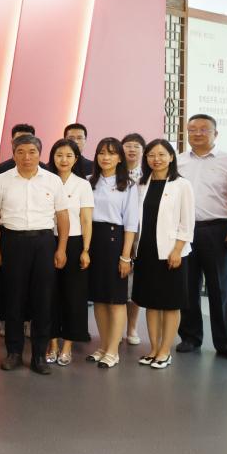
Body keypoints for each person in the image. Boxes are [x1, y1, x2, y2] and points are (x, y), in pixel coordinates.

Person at [0, 135, 69, 375]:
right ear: (13, 154)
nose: (26, 157)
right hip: (12, 242)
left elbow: (62, 216)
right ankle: (13, 353)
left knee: (43, 301)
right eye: (21, 152)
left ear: (39, 154)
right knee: (13, 299)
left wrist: (61, 248)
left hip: (44, 243)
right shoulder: (1, 180)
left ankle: (39, 356)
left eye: (32, 152)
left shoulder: (52, 180)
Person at [177, 114, 227, 362]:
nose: (197, 133)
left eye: (204, 129)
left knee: (220, 288)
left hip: (218, 230)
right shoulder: (179, 161)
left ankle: (226, 343)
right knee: (188, 287)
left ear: (215, 134)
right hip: (185, 230)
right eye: (192, 129)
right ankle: (190, 337)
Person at [132, 139, 195, 370]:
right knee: (151, 302)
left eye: (161, 154)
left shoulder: (182, 185)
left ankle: (165, 351)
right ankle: (153, 348)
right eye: (151, 155)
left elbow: (187, 222)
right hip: (146, 251)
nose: (156, 159)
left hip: (171, 252)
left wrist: (177, 250)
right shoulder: (141, 184)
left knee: (170, 303)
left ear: (171, 157)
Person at [87, 137, 139, 368]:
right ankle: (103, 345)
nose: (105, 157)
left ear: (119, 158)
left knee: (116, 300)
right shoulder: (88, 181)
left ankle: (113, 351)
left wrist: (125, 256)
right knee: (99, 298)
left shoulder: (128, 185)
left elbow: (131, 224)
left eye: (111, 153)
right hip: (92, 241)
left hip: (114, 241)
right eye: (101, 153)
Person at [45, 138, 94, 365]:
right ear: (52, 157)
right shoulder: (45, 181)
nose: (63, 160)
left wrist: (86, 249)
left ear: (76, 159)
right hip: (47, 241)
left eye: (68, 156)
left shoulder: (82, 185)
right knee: (49, 294)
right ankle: (52, 343)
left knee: (74, 296)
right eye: (59, 155)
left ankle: (67, 345)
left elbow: (86, 220)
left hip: (75, 244)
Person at [120, 132, 147, 344]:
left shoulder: (148, 176)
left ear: (143, 151)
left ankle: (132, 328)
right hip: (117, 232)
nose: (132, 149)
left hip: (142, 233)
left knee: (135, 282)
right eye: (128, 145)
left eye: (136, 146)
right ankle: (115, 329)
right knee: (117, 282)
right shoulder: (114, 174)